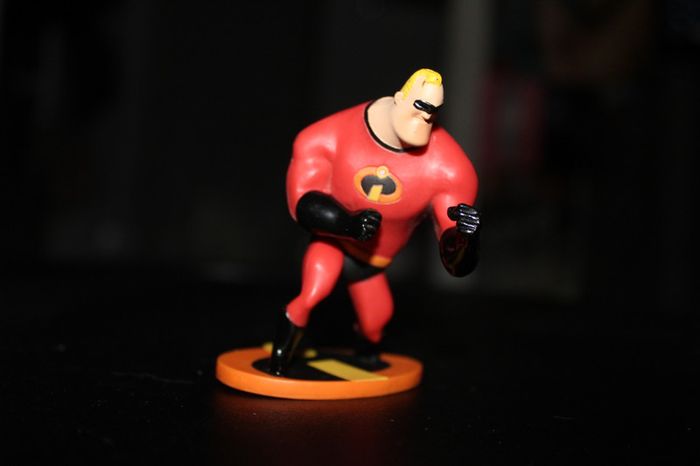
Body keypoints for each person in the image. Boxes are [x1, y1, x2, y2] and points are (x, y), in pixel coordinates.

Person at [270, 68, 481, 376]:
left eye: (432, 111)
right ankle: (280, 358)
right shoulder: (326, 137)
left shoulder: (449, 169)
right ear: (399, 99)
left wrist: (466, 238)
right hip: (334, 241)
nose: (424, 117)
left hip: (374, 262)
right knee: (313, 292)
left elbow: (455, 262)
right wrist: (347, 224)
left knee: (376, 320)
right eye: (420, 106)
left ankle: (366, 355)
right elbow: (302, 204)